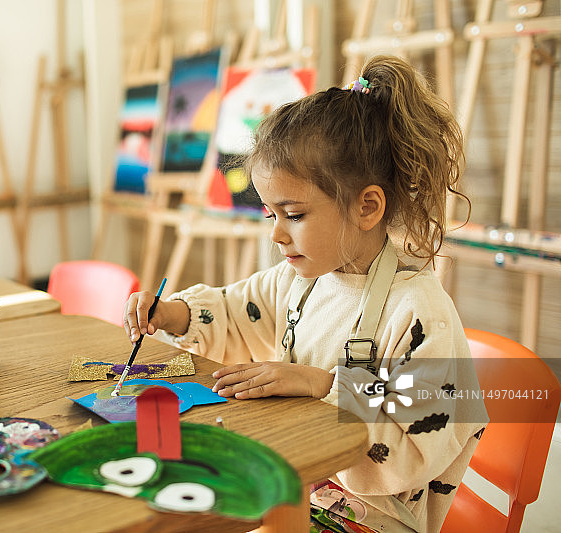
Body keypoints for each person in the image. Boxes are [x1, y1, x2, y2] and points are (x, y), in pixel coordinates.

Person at [123, 55, 488, 533]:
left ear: (367, 207)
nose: (276, 234)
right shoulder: (300, 280)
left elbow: (414, 449)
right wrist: (172, 314)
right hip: (293, 480)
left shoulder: (420, 312)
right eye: (270, 215)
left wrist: (325, 385)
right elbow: (236, 312)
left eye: (293, 214)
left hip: (363, 517)